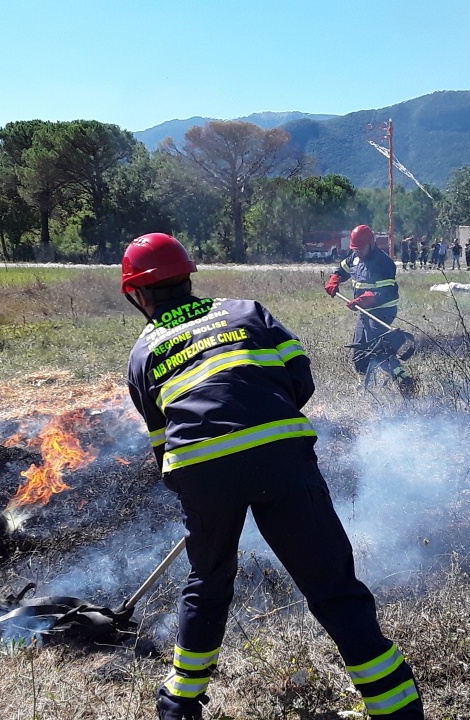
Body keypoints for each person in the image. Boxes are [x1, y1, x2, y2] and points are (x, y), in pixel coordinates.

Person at [122, 233, 423, 720]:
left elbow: (164, 447)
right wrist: (265, 419)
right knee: (333, 586)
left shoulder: (143, 353)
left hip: (201, 469)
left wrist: (206, 501)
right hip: (280, 456)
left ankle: (179, 704)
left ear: (136, 294)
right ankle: (396, 709)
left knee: (208, 583)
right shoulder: (246, 311)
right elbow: (301, 376)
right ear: (189, 276)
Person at [325, 225, 414, 391]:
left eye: (360, 248)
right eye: (355, 249)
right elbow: (343, 268)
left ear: (371, 244)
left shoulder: (384, 263)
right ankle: (365, 388)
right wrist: (335, 279)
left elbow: (385, 293)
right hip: (365, 311)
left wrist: (362, 300)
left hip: (383, 311)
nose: (357, 252)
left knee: (378, 349)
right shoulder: (355, 257)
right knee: (359, 351)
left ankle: (404, 380)